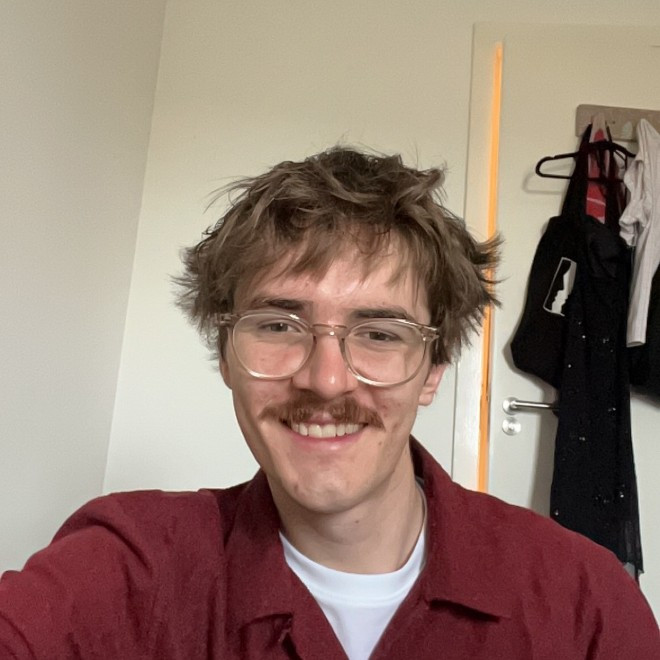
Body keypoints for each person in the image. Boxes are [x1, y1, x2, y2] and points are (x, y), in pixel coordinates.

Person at [0, 147, 658, 659]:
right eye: (278, 325)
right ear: (225, 355)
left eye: (379, 333)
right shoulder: (126, 569)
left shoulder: (584, 600)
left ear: (433, 370)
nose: (326, 380)